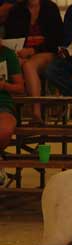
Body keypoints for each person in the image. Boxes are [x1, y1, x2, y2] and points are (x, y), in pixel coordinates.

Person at [4, 0, 63, 123]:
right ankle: (9, 110)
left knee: (29, 65)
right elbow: (10, 37)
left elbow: (56, 40)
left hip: (46, 52)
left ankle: (36, 111)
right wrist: (20, 50)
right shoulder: (16, 11)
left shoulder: (50, 8)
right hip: (21, 52)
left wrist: (33, 50)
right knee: (15, 65)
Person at [0, 40, 24, 186]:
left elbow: (20, 87)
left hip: (3, 103)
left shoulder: (8, 55)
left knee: (5, 129)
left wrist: (4, 85)